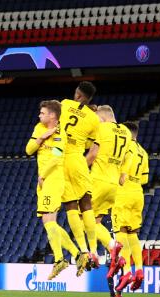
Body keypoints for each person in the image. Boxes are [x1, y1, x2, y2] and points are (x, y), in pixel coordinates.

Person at [25, 100, 80, 280]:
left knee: (49, 221)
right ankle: (77, 255)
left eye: (42, 113)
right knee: (49, 223)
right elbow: (28, 150)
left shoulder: (60, 134)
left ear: (52, 116)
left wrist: (43, 175)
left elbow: (56, 158)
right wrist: (41, 138)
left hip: (53, 179)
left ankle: (60, 259)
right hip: (44, 181)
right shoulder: (39, 128)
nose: (39, 116)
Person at [60, 81, 101, 274]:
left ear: (77, 95)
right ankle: (93, 250)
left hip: (60, 158)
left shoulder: (65, 104)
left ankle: (83, 250)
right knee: (86, 203)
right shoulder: (94, 119)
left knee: (70, 205)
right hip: (77, 158)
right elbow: (89, 148)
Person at [108, 121, 148, 296]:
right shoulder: (143, 152)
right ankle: (139, 269)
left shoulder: (126, 147)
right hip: (138, 193)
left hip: (123, 192)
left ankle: (127, 273)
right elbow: (145, 179)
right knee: (133, 235)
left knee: (120, 234)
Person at [88, 106, 130, 268]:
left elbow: (92, 155)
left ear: (104, 118)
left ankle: (109, 247)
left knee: (82, 219)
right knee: (96, 222)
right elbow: (127, 157)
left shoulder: (103, 128)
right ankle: (113, 251)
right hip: (113, 185)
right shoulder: (126, 132)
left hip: (98, 180)